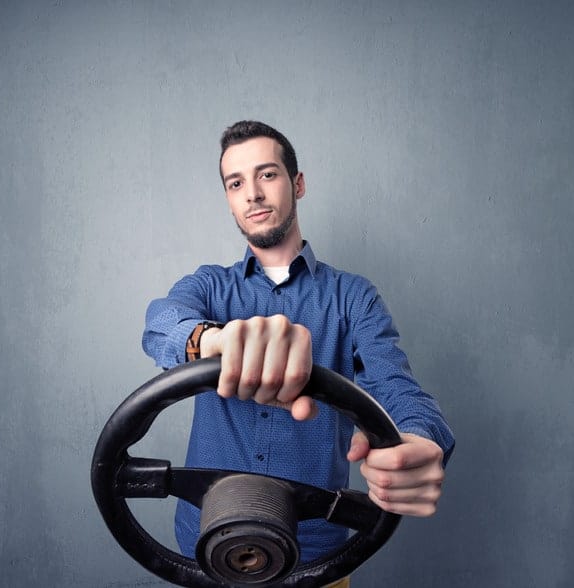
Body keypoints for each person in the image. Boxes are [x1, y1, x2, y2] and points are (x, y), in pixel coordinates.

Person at [142, 121, 455, 586]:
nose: (252, 193)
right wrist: (214, 341)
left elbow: (396, 389)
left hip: (318, 561)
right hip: (206, 551)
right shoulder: (207, 285)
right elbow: (161, 321)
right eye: (236, 182)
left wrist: (421, 439)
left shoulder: (354, 298)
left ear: (298, 183)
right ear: (228, 198)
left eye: (267, 174)